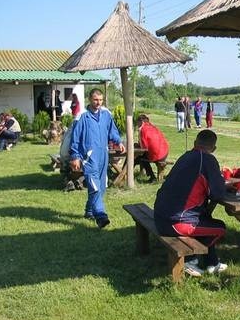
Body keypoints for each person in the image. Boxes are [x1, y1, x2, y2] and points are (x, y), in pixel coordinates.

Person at [153, 130, 227, 276]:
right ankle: (189, 258)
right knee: (219, 228)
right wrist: (224, 185)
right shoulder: (208, 160)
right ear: (213, 149)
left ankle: (211, 263)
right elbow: (217, 194)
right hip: (176, 222)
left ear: (195, 143)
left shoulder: (185, 157)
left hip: (159, 216)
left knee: (206, 221)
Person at [69, 88, 125, 229]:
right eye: (95, 100)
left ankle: (89, 211)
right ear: (89, 99)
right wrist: (75, 156)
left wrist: (118, 141)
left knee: (100, 187)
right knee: (94, 187)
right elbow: (74, 139)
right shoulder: (82, 117)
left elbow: (112, 130)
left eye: (100, 100)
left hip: (103, 155)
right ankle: (101, 216)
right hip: (89, 157)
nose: (98, 103)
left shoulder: (106, 114)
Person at [134, 114, 169, 183]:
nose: (137, 124)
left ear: (141, 122)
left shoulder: (143, 129)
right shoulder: (153, 127)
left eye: (137, 122)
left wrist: (139, 139)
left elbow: (144, 147)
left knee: (140, 158)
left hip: (157, 154)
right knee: (142, 157)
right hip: (165, 152)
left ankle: (152, 177)